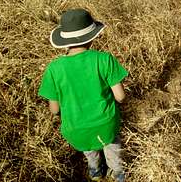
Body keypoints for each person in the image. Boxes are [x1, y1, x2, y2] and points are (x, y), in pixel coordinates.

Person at [38, 9, 128, 182]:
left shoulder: (54, 69)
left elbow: (54, 110)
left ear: (64, 40)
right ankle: (117, 174)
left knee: (90, 152)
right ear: (92, 36)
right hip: (106, 124)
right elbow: (121, 97)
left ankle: (95, 173)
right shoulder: (104, 59)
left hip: (77, 130)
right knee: (112, 146)